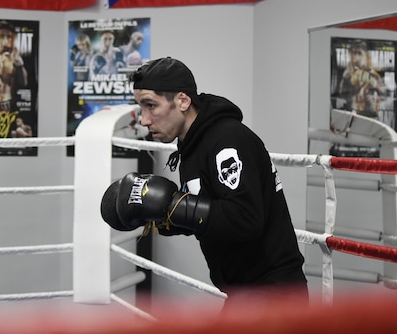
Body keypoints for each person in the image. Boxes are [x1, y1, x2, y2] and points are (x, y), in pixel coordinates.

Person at [100, 57, 308, 310]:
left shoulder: (228, 140)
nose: (143, 120)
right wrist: (166, 216)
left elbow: (245, 219)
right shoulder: (192, 145)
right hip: (244, 293)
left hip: (274, 295)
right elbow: (211, 212)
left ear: (183, 101)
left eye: (150, 106)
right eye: (141, 107)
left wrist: (173, 206)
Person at [337, 39, 386, 117]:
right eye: (354, 53)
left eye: (359, 53)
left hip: (369, 114)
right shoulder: (346, 74)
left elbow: (385, 94)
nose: (356, 57)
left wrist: (374, 84)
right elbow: (340, 94)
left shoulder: (373, 73)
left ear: (365, 55)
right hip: (352, 114)